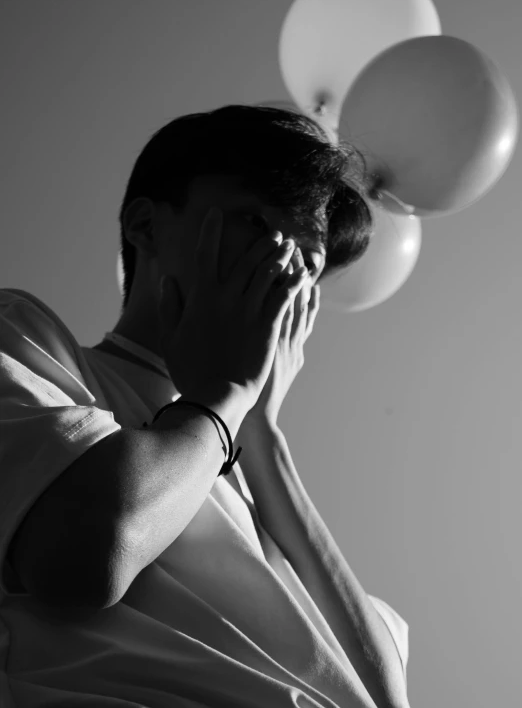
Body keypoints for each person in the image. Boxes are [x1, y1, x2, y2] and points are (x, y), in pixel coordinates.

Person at [0, 105, 410, 708]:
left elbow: (385, 697)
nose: (284, 272)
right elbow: (82, 557)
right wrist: (223, 401)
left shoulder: (263, 489)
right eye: (258, 224)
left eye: (309, 262)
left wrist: (262, 436)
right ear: (146, 225)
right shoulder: (30, 340)